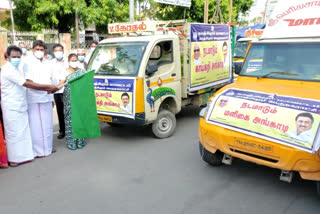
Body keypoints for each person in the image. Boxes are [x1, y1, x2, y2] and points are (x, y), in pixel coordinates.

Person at [1, 45, 58, 166]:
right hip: (11, 106)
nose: (16, 59)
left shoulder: (18, 68)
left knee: (23, 132)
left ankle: (24, 156)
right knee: (14, 133)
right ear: (7, 57)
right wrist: (48, 88)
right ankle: (14, 159)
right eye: (14, 57)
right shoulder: (7, 70)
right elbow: (26, 83)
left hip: (21, 104)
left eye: (18, 57)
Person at [24, 40, 57, 158]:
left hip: (47, 98)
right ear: (33, 49)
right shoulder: (28, 62)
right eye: (37, 49)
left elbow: (50, 80)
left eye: (41, 50)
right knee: (37, 126)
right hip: (35, 98)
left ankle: (47, 147)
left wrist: (52, 97)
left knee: (47, 125)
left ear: (45, 50)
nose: (39, 51)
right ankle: (38, 151)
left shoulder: (47, 63)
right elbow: (28, 82)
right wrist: (46, 88)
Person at [63, 53, 86, 150]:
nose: (74, 62)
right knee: (71, 121)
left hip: (80, 99)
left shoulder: (82, 71)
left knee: (80, 120)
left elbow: (85, 83)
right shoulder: (64, 72)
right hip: (69, 100)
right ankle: (71, 142)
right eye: (72, 60)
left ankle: (80, 141)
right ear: (68, 61)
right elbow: (60, 84)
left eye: (75, 60)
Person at [52, 44, 68, 139]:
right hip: (56, 91)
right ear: (54, 52)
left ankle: (71, 130)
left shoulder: (68, 61)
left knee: (69, 111)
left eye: (60, 50)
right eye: (56, 50)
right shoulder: (51, 63)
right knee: (60, 111)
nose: (58, 52)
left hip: (66, 89)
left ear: (63, 51)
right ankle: (62, 131)